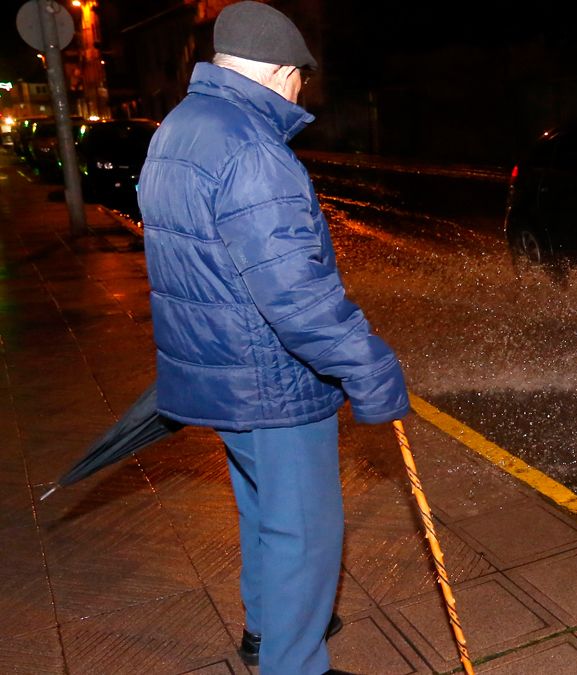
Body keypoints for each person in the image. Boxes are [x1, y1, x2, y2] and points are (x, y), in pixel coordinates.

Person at [137, 3, 408, 674]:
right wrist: (370, 367)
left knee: (265, 511)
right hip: (271, 378)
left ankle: (269, 625)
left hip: (220, 371)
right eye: (300, 81)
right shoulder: (254, 151)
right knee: (306, 530)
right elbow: (296, 294)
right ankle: (294, 661)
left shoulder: (179, 128)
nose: (300, 94)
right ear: (284, 73)